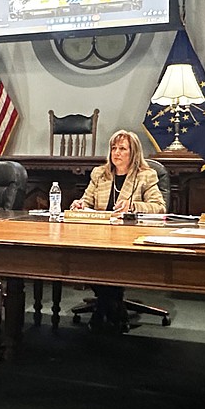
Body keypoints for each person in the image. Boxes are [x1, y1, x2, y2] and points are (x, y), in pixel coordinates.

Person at [70, 129, 166, 332]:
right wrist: (79, 204)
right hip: (99, 236)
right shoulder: (100, 174)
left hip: (129, 236)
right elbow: (87, 201)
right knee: (85, 258)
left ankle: (105, 306)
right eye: (114, 148)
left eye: (122, 149)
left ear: (134, 153)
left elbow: (159, 207)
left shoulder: (146, 176)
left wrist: (132, 207)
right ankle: (113, 306)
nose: (117, 153)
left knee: (110, 262)